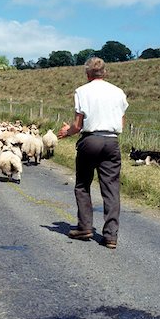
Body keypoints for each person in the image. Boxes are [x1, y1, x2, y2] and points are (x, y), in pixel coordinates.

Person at [57, 57, 128, 249]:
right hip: (112, 141)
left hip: (90, 140)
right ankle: (111, 235)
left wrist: (66, 132)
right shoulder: (118, 92)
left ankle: (85, 227)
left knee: (82, 184)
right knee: (111, 188)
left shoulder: (82, 91)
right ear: (105, 72)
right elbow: (121, 123)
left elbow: (78, 125)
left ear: (87, 74)